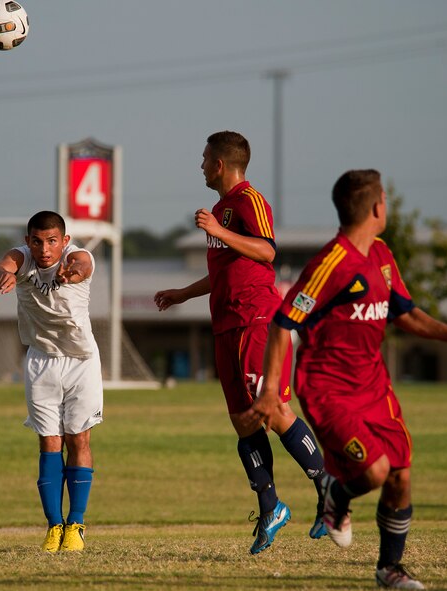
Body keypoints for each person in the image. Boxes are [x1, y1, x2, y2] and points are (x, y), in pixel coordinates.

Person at [248, 169, 447, 588]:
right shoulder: (331, 263)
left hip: (374, 386)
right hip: (327, 387)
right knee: (374, 471)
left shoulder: (381, 255)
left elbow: (405, 313)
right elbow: (283, 322)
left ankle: (389, 569)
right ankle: (336, 496)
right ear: (377, 207)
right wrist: (270, 391)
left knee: (400, 475)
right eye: (385, 201)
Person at [154, 131, 327, 555]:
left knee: (272, 408)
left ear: (221, 164)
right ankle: (270, 506)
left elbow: (266, 252)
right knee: (243, 420)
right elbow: (224, 273)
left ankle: (328, 488)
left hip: (258, 319)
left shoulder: (250, 200)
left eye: (204, 158)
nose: (200, 165)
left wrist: (217, 229)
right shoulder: (219, 210)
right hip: (226, 323)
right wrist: (182, 293)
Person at [0, 210, 103, 553]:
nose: (45, 249)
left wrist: (73, 274)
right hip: (41, 360)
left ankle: (76, 523)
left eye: (52, 241)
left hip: (81, 360)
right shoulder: (21, 259)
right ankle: (54, 527)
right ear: (28, 241)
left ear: (64, 241)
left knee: (78, 437)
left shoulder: (77, 257)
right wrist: (2, 274)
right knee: (49, 442)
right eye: (37, 241)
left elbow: (83, 266)